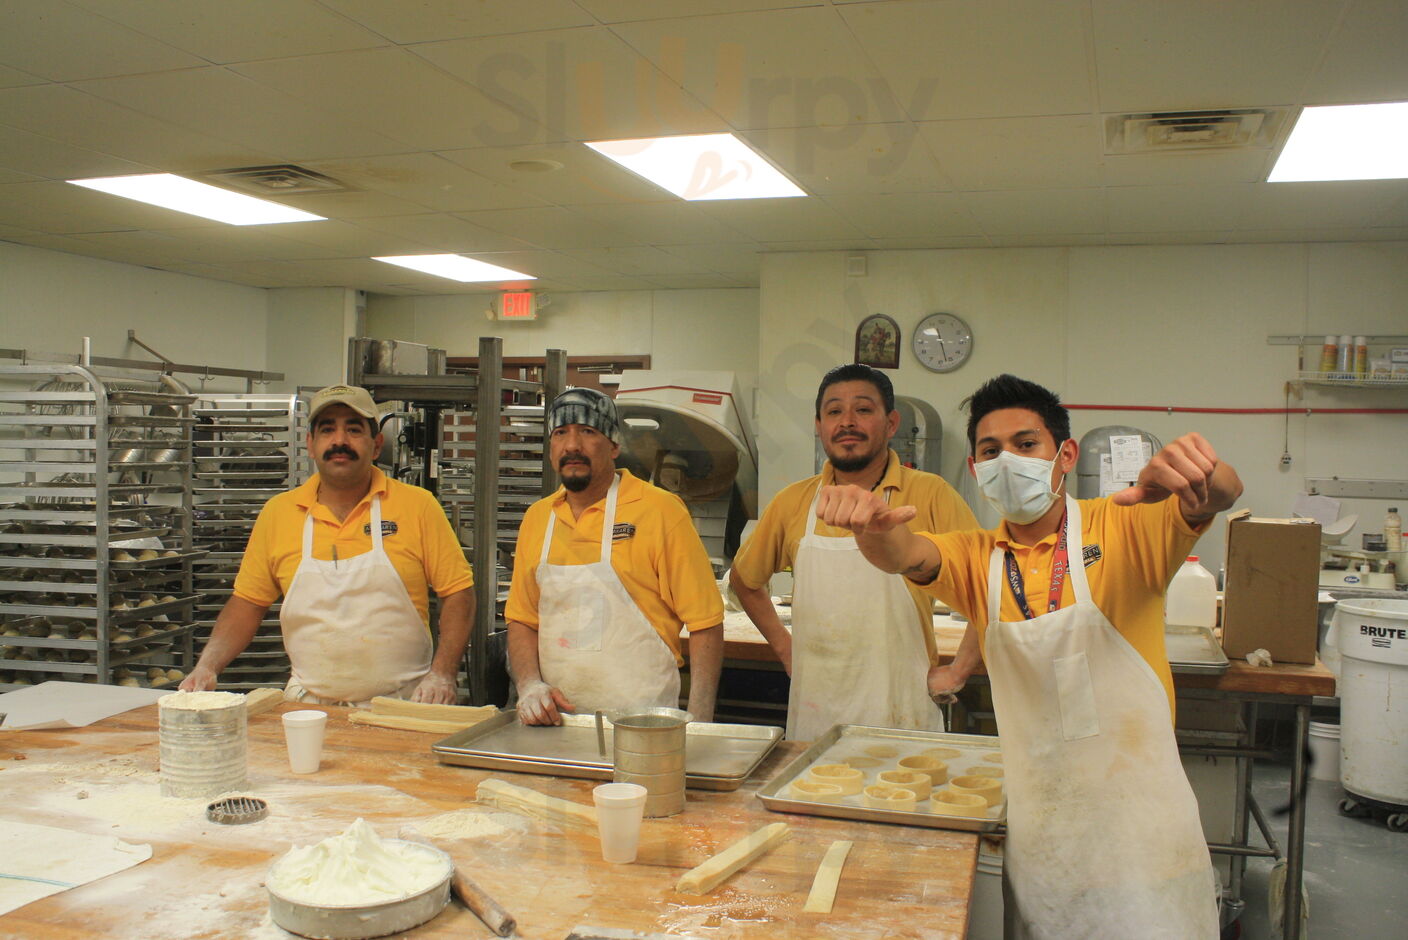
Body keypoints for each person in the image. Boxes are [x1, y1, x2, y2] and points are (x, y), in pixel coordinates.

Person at [815, 374, 1241, 939]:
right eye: (991, 451)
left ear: (1064, 455)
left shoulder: (1124, 525)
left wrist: (1205, 475)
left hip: (1142, 839)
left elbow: (1218, 495)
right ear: (975, 469)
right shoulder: (976, 558)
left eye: (1026, 444)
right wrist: (869, 528)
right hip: (1045, 844)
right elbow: (905, 554)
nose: (1008, 461)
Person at [181, 384, 474, 705]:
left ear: (376, 445)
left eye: (353, 429)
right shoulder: (278, 513)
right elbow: (247, 604)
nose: (339, 441)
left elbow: (458, 593)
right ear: (310, 443)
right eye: (327, 429)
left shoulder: (418, 506)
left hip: (404, 703)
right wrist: (207, 666)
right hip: (308, 706)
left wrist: (443, 673)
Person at [729, 363, 977, 740]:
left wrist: (958, 670)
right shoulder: (792, 503)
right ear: (818, 425)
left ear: (891, 423)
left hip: (902, 709)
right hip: (816, 712)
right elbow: (745, 581)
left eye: (863, 410)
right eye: (833, 412)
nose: (847, 422)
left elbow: (992, 588)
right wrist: (785, 647)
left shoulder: (932, 494)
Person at [506, 388, 724, 725]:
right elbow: (522, 619)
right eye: (560, 433)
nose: (572, 445)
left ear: (614, 445)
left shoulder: (661, 511)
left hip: (642, 725)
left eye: (588, 432)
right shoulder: (538, 519)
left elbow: (705, 624)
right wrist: (529, 684)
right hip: (556, 724)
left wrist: (699, 723)